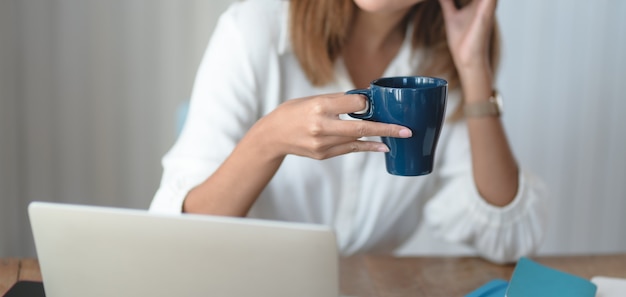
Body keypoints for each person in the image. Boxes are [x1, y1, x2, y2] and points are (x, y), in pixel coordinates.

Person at [150, 0, 546, 264]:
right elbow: (178, 239)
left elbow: (508, 239)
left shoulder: (438, 61)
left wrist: (473, 68)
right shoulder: (253, 29)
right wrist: (268, 140)